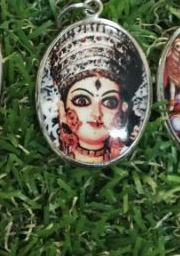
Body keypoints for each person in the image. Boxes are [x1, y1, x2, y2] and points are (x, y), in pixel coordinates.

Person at [47, 21, 145, 164]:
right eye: (82, 101)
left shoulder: (121, 151)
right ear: (62, 110)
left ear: (124, 108)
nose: (97, 114)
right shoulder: (58, 148)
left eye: (109, 102)